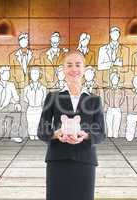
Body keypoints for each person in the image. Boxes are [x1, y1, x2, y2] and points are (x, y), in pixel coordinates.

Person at [37, 50, 106, 200]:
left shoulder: (94, 100)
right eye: (69, 65)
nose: (74, 69)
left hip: (85, 160)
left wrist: (86, 135)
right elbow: (42, 130)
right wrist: (56, 134)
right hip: (58, 160)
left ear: (84, 69)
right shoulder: (52, 97)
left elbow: (101, 133)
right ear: (63, 70)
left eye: (77, 65)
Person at [0, 65, 23, 143]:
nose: (8, 76)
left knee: (18, 111)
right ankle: (3, 126)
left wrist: (17, 103)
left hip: (7, 107)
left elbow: (15, 97)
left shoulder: (11, 85)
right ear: (0, 74)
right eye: (5, 74)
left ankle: (14, 135)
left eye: (8, 74)